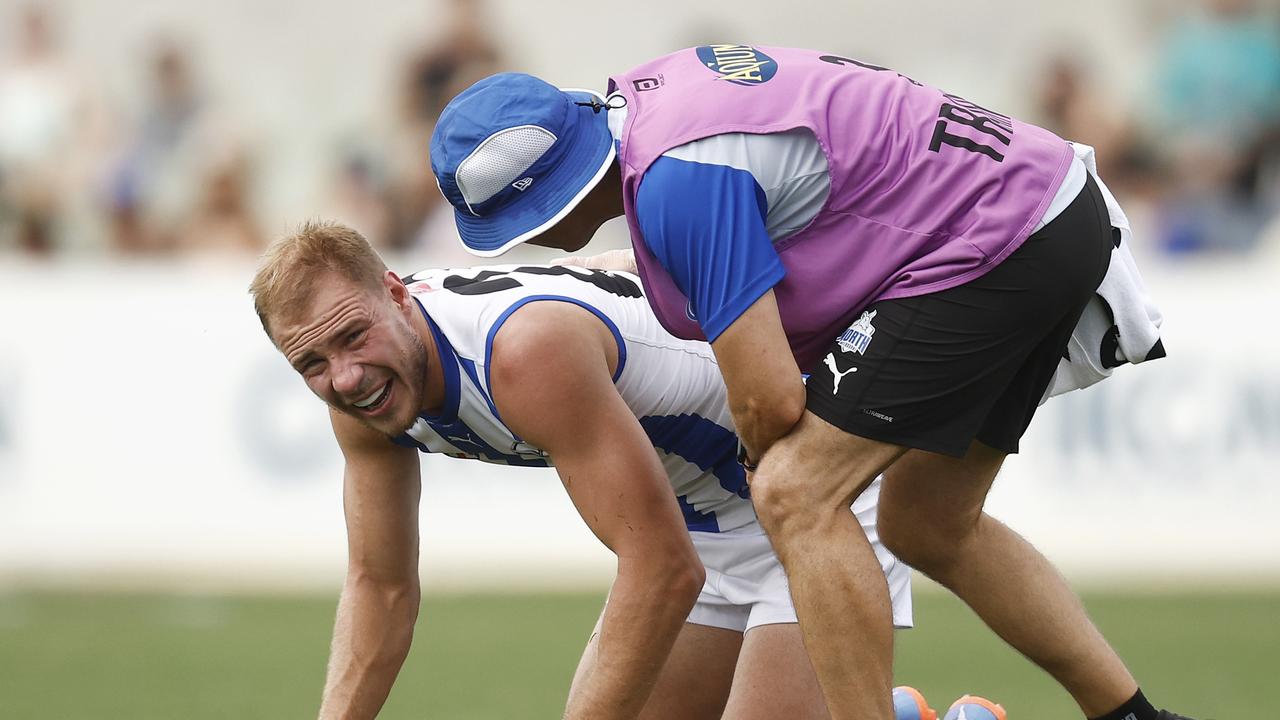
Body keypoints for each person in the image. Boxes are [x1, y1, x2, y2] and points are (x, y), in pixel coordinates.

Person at [427, 46, 1188, 720]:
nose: (518, 244)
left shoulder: (676, 182)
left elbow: (767, 399)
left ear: (545, 196)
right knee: (925, 523)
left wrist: (765, 460)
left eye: (513, 224)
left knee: (794, 488)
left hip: (999, 235)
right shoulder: (656, 107)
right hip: (1041, 208)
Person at [249, 222, 936, 719]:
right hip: (707, 521)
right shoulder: (363, 392)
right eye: (311, 363)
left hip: (815, 491)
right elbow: (381, 586)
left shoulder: (519, 353)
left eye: (351, 337)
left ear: (398, 295)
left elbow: (662, 570)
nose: (344, 377)